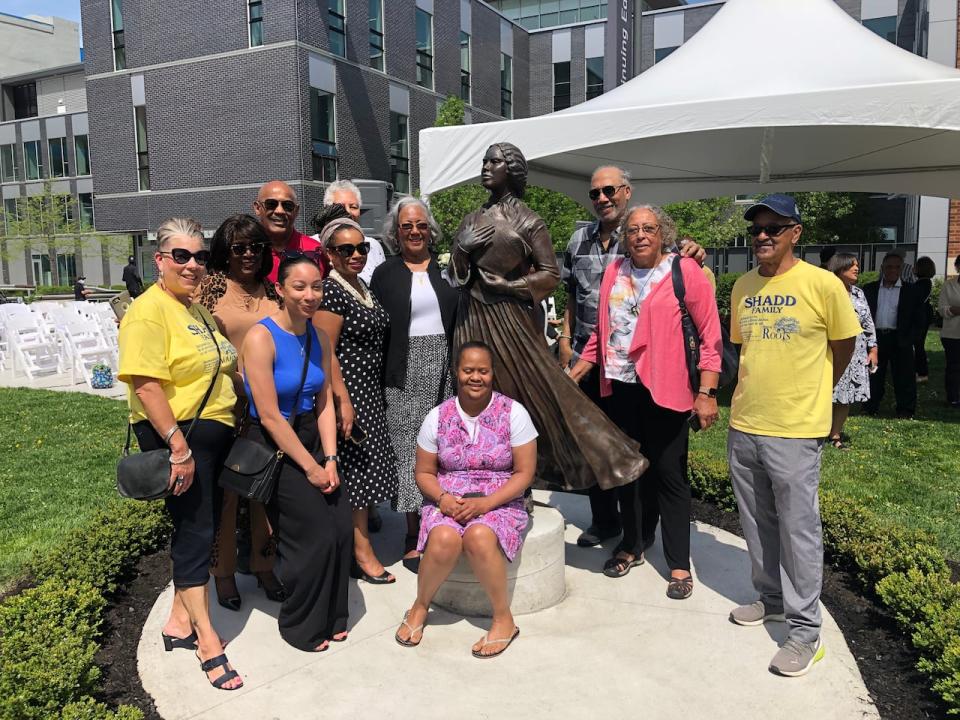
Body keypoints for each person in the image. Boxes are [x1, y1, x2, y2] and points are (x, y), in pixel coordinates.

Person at [448, 143, 647, 494]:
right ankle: (480, 477)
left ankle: (526, 482)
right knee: (475, 396)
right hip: (472, 318)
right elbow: (455, 276)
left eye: (494, 161)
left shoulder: (528, 220)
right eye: (484, 161)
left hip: (511, 322)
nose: (486, 167)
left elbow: (550, 275)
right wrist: (461, 249)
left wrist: (510, 286)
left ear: (510, 170)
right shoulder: (470, 220)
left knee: (521, 399)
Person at [726, 194, 859, 677]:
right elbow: (744, 350)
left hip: (796, 428)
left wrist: (815, 392)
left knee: (799, 530)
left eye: (774, 228)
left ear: (795, 233)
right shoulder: (742, 286)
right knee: (758, 523)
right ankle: (771, 599)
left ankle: (806, 633)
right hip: (745, 423)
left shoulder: (823, 285)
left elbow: (844, 346)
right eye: (756, 228)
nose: (762, 236)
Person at [570, 205, 721, 599]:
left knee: (669, 476)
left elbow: (710, 337)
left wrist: (706, 393)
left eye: (649, 229)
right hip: (620, 388)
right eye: (633, 229)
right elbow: (600, 334)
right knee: (630, 474)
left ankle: (677, 563)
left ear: (662, 233)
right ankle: (632, 545)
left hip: (667, 391)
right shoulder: (614, 271)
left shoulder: (683, 270)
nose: (640, 235)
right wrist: (574, 375)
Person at [118, 218, 243, 690]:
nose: (192, 265)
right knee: (195, 532)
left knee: (199, 526)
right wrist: (177, 446)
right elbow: (146, 385)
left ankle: (177, 618)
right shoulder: (149, 312)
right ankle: (209, 641)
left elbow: (221, 366)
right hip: (180, 440)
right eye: (181, 256)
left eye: (200, 257)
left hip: (209, 439)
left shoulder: (194, 309)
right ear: (160, 260)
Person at [560, 169, 705, 548]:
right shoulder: (579, 240)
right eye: (595, 193)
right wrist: (563, 337)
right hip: (591, 357)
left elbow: (683, 285)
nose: (602, 198)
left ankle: (643, 531)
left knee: (650, 458)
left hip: (645, 369)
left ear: (626, 192)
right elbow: (571, 294)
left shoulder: (655, 242)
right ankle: (607, 523)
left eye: (609, 190)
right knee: (598, 448)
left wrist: (693, 249)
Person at [394, 341, 537, 658]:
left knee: (478, 536)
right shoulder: (437, 416)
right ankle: (420, 607)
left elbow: (525, 473)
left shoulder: (514, 413)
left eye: (483, 371)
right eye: (468, 370)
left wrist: (486, 504)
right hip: (449, 496)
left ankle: (503, 618)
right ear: (456, 372)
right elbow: (424, 473)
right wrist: (443, 499)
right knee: (443, 537)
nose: (476, 377)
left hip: (500, 497)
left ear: (492, 374)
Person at [242, 254, 351, 652]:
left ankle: (333, 615)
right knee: (314, 536)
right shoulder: (261, 337)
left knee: (340, 528)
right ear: (280, 290)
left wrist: (331, 458)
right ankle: (300, 626)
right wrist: (310, 468)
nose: (310, 295)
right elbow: (269, 415)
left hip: (312, 437)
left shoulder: (318, 335)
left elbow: (324, 402)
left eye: (317, 286)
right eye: (299, 287)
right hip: (276, 444)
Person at [195, 214, 285, 611]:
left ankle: (265, 566)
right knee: (228, 496)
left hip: (268, 409)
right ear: (224, 253)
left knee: (265, 489)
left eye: (256, 247)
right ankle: (224, 573)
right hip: (225, 409)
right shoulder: (210, 293)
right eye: (239, 248)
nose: (249, 254)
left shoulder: (274, 292)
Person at [371, 196, 458, 573]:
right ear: (396, 232)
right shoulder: (385, 274)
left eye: (421, 224)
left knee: (447, 445)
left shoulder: (449, 269)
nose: (415, 231)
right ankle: (413, 533)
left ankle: (445, 518)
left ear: (430, 229)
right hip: (404, 368)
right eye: (407, 226)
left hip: (447, 363)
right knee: (410, 448)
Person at [314, 214, 399, 584]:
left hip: (369, 391)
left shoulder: (361, 286)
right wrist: (342, 401)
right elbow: (325, 349)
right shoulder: (331, 291)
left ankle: (355, 549)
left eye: (361, 248)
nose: (355, 254)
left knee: (363, 473)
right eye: (344, 249)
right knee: (357, 478)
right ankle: (362, 554)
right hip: (349, 394)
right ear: (329, 254)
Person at [862, 252, 925, 418]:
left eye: (897, 267)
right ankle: (870, 405)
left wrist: (911, 339)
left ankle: (905, 409)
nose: (892, 270)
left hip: (900, 338)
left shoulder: (911, 291)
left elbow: (920, 319)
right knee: (873, 374)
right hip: (876, 338)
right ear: (882, 268)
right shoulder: (870, 289)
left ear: (901, 269)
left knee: (904, 376)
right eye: (889, 267)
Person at [827, 253, 877, 450]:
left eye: (857, 266)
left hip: (855, 353)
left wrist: (873, 348)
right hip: (830, 350)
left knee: (845, 397)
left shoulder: (858, 293)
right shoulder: (827, 291)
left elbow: (868, 322)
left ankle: (835, 435)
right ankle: (815, 432)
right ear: (840, 268)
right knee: (826, 394)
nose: (857, 269)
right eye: (852, 266)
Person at [253, 180, 329, 284]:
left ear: (296, 210)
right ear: (257, 208)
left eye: (287, 206)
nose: (280, 211)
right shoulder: (245, 252)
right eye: (271, 204)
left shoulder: (317, 251)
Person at [315, 180, 386, 284]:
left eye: (353, 207)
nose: (348, 212)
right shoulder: (313, 245)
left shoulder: (373, 246)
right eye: (341, 207)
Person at [939, 255, 960, 409]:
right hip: (952, 334)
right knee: (953, 367)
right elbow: (942, 309)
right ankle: (952, 398)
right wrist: (954, 309)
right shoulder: (949, 285)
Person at [912, 256, 936, 383]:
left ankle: (922, 372)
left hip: (921, 317)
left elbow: (917, 300)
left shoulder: (923, 283)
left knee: (919, 345)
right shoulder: (923, 282)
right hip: (923, 316)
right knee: (918, 344)